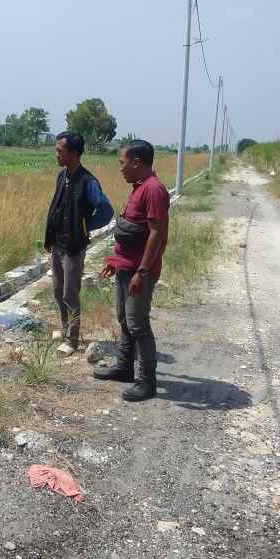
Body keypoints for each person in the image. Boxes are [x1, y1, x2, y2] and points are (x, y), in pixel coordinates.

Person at [94, 139, 170, 402]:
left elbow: (156, 234)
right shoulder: (139, 187)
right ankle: (124, 367)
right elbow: (130, 229)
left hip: (140, 271)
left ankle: (147, 381)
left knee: (138, 324)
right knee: (124, 320)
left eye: (122, 163)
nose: (121, 169)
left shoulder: (154, 190)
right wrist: (115, 261)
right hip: (126, 268)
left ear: (137, 162)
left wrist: (143, 272)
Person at [44, 131, 114, 354]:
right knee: (57, 291)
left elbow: (106, 211)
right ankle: (65, 328)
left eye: (60, 151)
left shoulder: (88, 182)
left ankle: (72, 339)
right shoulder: (61, 176)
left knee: (70, 294)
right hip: (58, 244)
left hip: (74, 247)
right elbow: (56, 208)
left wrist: (84, 227)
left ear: (73, 153)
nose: (56, 154)